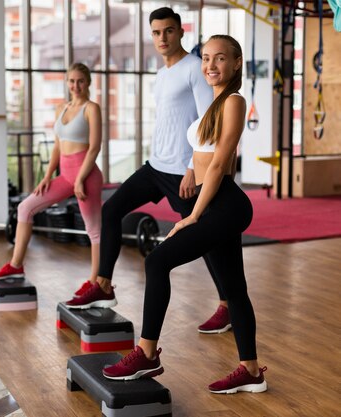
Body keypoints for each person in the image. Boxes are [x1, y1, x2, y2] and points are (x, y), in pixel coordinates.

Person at [101, 34, 267, 394]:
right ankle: (251, 370)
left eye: (220, 58)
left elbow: (222, 161)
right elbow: (203, 151)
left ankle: (146, 353)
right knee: (234, 289)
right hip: (215, 201)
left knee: (157, 262)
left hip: (224, 204)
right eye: (206, 58)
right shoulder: (213, 103)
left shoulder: (235, 101)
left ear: (237, 63)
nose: (210, 65)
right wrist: (191, 169)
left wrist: (193, 216)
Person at [66, 8, 229, 335]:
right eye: (156, 33)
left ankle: (227, 305)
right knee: (111, 210)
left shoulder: (194, 70)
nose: (162, 38)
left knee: (206, 238)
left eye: (168, 31)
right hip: (156, 166)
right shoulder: (160, 74)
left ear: (180, 32)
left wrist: (191, 169)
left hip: (182, 173)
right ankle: (104, 285)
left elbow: (207, 121)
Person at [0, 63, 111, 306]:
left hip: (86, 175)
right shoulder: (61, 108)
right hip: (65, 175)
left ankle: (96, 281)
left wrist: (80, 179)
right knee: (25, 208)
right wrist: (46, 177)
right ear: (66, 83)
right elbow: (58, 145)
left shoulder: (91, 109)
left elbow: (95, 147)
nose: (75, 86)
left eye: (80, 81)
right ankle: (15, 266)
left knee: (94, 230)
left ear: (88, 83)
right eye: (71, 81)